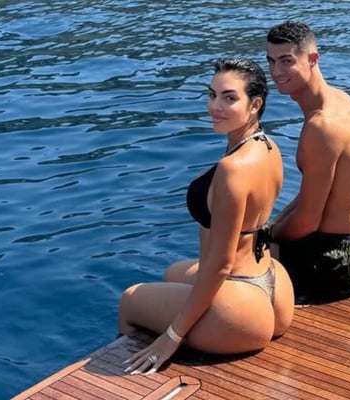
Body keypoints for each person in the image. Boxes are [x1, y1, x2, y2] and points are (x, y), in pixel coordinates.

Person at [118, 58, 295, 375]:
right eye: (212, 95)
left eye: (229, 98)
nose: (215, 106)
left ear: (255, 105)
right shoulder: (268, 146)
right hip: (274, 287)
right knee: (173, 272)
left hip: (239, 310)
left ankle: (130, 380)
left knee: (130, 300)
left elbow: (221, 264)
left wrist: (171, 336)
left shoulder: (233, 169)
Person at [266, 21, 350, 305]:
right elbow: (315, 194)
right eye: (271, 61)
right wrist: (272, 227)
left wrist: (263, 236)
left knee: (233, 266)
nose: (276, 72)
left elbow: (306, 222)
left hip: (333, 262)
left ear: (312, 59)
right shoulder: (341, 100)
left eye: (287, 61)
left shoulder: (322, 126)